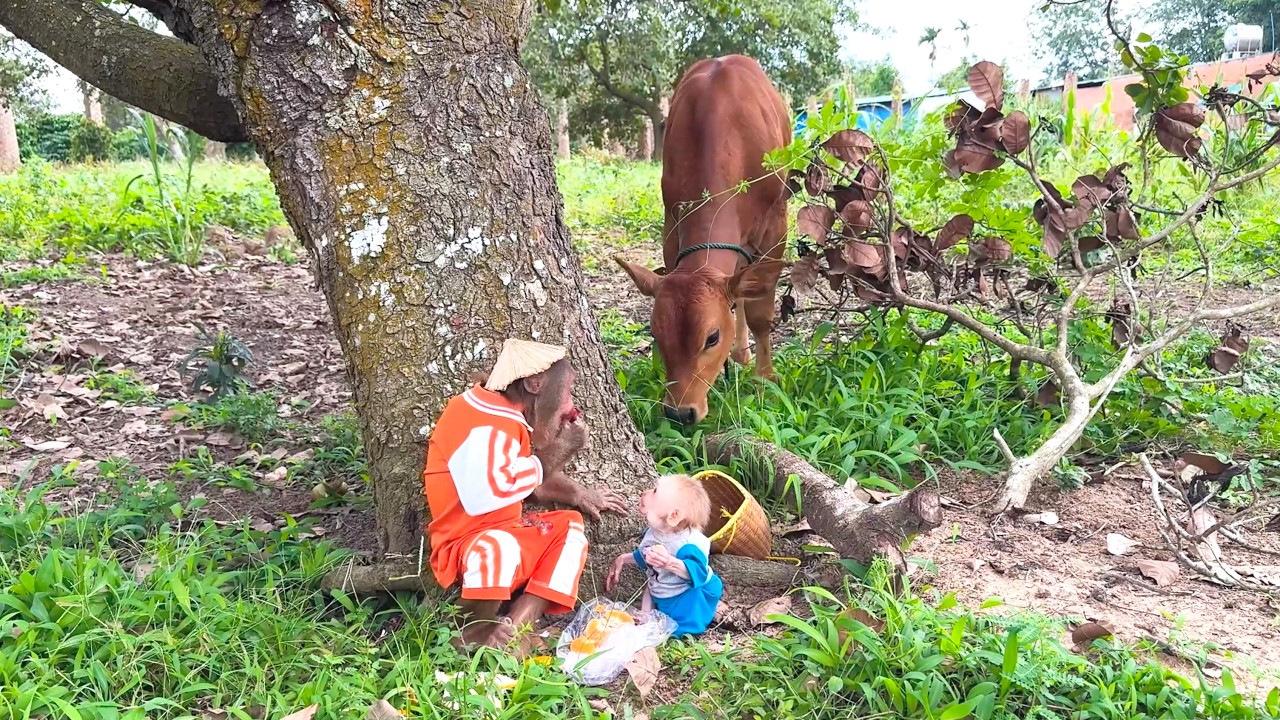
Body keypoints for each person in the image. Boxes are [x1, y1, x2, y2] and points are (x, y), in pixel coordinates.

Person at [423, 338, 628, 652]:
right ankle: (471, 631)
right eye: (566, 392)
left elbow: (527, 481)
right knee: (498, 548)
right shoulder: (481, 421)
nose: (569, 404)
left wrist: (579, 494)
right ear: (535, 385)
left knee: (570, 529)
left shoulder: (504, 414)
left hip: (504, 528)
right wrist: (561, 448)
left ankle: (516, 627)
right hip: (465, 540)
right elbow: (487, 494)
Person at [605, 473, 724, 637]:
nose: (646, 492)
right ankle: (646, 617)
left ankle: (678, 632)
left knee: (684, 621)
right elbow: (645, 556)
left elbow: (698, 573)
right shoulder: (654, 533)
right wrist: (623, 559)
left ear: (674, 515)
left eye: (655, 491)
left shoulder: (688, 544)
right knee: (650, 583)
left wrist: (669, 563)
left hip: (690, 595)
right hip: (663, 590)